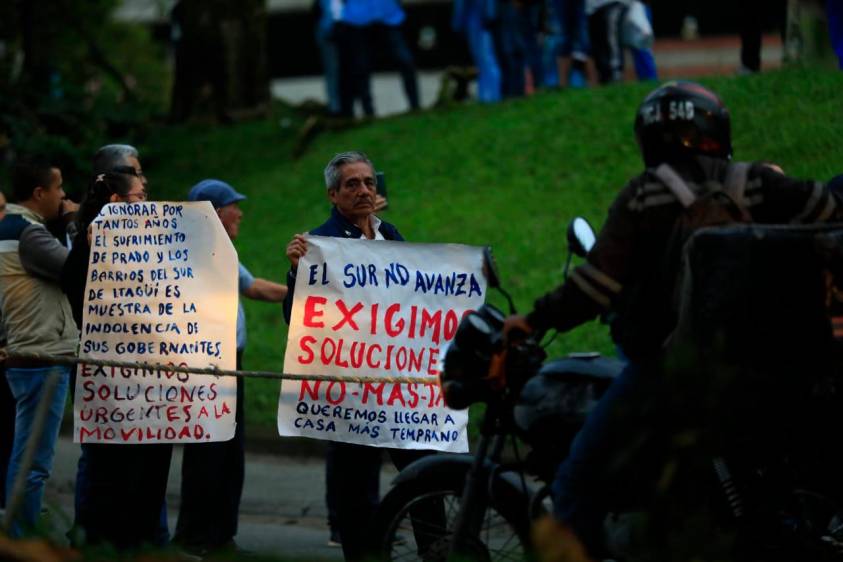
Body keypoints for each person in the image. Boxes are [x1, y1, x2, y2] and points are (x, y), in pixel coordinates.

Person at [503, 81, 843, 559]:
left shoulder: (646, 195)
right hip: (764, 372)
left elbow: (596, 284)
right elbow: (831, 213)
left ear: (649, 138)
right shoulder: (759, 183)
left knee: (576, 483)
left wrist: (530, 320)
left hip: (672, 376)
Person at [283, 151, 433, 561]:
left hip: (400, 385)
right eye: (352, 184)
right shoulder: (318, 245)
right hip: (351, 391)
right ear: (333, 194)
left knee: (426, 473)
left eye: (369, 182)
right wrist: (299, 273)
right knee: (355, 489)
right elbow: (297, 320)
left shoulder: (392, 234)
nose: (364, 190)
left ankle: (436, 551)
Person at [175, 179, 288, 556]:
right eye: (232, 206)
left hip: (231, 364)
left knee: (229, 452)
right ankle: (194, 536)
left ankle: (222, 535)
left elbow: (254, 287)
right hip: (204, 365)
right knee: (207, 451)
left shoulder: (224, 252)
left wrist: (304, 291)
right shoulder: (185, 254)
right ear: (212, 212)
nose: (239, 212)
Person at [60, 170, 172, 549]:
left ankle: (142, 543)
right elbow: (76, 295)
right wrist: (93, 251)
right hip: (108, 385)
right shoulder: (85, 249)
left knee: (151, 472)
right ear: (116, 204)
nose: (148, 203)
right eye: (141, 197)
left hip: (154, 383)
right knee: (110, 472)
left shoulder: (156, 245)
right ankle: (101, 544)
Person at [0, 156, 79, 537]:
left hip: (25, 350)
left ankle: (18, 528)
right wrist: (72, 223)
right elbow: (76, 269)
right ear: (39, 193)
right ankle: (21, 537)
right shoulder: (29, 233)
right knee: (33, 460)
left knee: (23, 452)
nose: (63, 195)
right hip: (40, 353)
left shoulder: (10, 227)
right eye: (59, 187)